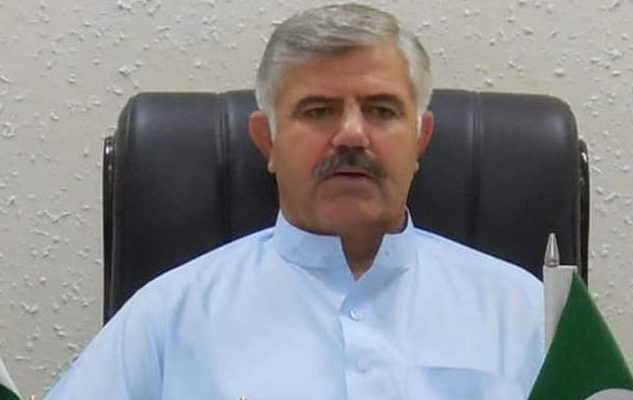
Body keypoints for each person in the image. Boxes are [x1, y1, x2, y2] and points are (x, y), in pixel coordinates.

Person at [45, 3, 543, 399]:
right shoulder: (168, 317)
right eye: (319, 111)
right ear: (268, 141)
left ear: (420, 140)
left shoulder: (525, 313)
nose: (352, 135)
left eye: (381, 110)